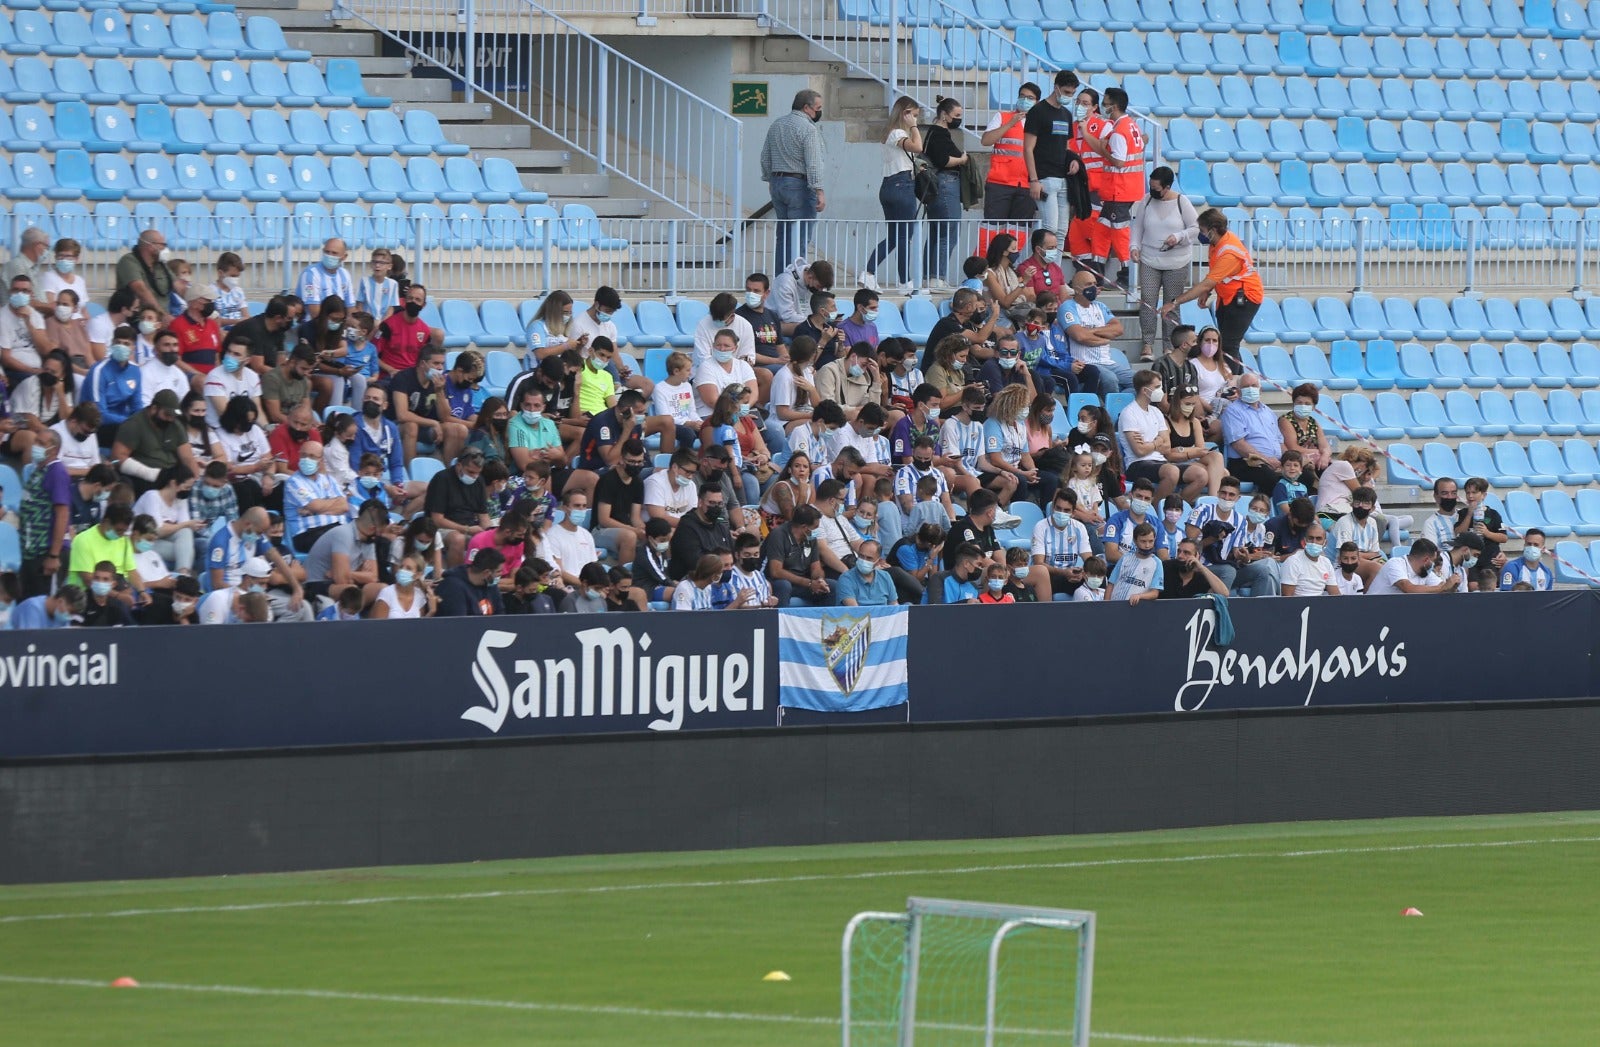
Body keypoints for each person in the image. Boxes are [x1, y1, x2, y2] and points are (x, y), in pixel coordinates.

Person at [1163, 208, 1265, 370]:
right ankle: (1235, 381)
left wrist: (1175, 302)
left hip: (1244, 298)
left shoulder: (1229, 252)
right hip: (1228, 296)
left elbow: (1206, 282)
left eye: (1202, 230)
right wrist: (1207, 292)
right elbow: (1214, 275)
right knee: (1227, 345)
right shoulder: (1217, 243)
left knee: (1228, 346)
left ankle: (1230, 385)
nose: (1200, 234)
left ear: (1213, 230)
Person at [1081, 87, 1145, 288]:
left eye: (1106, 103)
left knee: (1119, 232)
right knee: (1101, 228)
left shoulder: (1119, 131)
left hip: (1120, 189)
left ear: (1114, 106)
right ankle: (1097, 273)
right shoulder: (1131, 125)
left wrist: (1103, 150)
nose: (1103, 107)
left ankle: (1127, 275)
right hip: (1123, 189)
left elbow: (1118, 162)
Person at [862, 97, 924, 294]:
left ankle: (882, 276)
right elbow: (918, 147)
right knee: (904, 236)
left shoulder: (890, 134)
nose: (915, 119)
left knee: (896, 236)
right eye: (913, 115)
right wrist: (913, 127)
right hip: (901, 185)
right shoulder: (897, 132)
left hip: (890, 185)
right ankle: (897, 279)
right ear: (904, 113)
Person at [761, 89, 827, 270]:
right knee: (800, 237)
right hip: (800, 185)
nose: (819, 112)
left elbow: (765, 157)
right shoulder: (808, 129)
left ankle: (781, 279)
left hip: (777, 183)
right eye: (818, 108)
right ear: (807, 108)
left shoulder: (777, 125)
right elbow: (813, 163)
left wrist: (770, 180)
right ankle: (796, 283)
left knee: (783, 236)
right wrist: (819, 190)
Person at [1022, 71, 1082, 249]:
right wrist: (1034, 179)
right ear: (1056, 88)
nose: (1069, 96)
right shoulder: (1038, 111)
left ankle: (1054, 274)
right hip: (1044, 178)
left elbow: (1066, 146)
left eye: (1072, 93)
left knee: (1062, 231)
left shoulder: (1066, 114)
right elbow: (1028, 148)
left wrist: (1074, 160)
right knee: (1050, 229)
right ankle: (1040, 270)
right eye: (1066, 92)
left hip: (1062, 178)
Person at [980, 81, 1042, 233]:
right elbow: (986, 141)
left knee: (1019, 233)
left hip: (1027, 185)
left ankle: (1011, 258)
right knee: (991, 231)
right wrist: (1010, 123)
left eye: (1030, 97)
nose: (1025, 100)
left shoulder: (1041, 123)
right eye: (1022, 96)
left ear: (1037, 102)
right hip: (1000, 183)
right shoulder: (1002, 116)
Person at [920, 96, 968, 288]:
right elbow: (943, 160)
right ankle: (937, 276)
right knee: (948, 233)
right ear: (944, 114)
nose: (958, 119)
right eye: (956, 115)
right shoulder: (939, 133)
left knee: (936, 233)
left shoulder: (936, 133)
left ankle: (929, 276)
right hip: (946, 184)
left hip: (940, 185)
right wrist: (962, 160)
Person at [1056, 271, 1128, 394]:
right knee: (1110, 380)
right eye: (1088, 284)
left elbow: (1118, 329)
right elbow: (1080, 336)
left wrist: (1091, 331)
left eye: (1095, 283)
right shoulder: (1068, 307)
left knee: (1142, 380)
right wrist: (1104, 337)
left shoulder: (1100, 306)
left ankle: (1125, 408)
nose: (1093, 287)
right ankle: (1109, 411)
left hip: (1107, 361)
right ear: (1077, 290)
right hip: (1085, 363)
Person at [1118, 370, 1181, 500]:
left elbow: (1167, 447)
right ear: (1145, 391)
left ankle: (1175, 507)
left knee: (1200, 474)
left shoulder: (1156, 411)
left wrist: (1149, 445)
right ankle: (1155, 509)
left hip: (1160, 461)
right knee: (1172, 472)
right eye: (1157, 387)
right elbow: (1139, 451)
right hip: (1137, 464)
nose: (1161, 391)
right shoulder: (1129, 413)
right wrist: (1157, 442)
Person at [1218, 373, 1283, 493]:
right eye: (1246, 386)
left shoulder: (1268, 412)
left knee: (1303, 475)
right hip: (1246, 462)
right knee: (1272, 478)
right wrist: (1267, 460)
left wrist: (1287, 461)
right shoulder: (1232, 412)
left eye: (1254, 385)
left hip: (1273, 462)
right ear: (1238, 391)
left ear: (1260, 389)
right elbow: (1239, 445)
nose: (1250, 389)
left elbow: (1280, 441)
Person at [425, 448, 491, 563]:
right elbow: (437, 519)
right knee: (458, 539)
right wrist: (466, 529)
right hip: (441, 529)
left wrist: (489, 532)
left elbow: (483, 515)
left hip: (469, 528)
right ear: (459, 465)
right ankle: (455, 577)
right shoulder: (442, 479)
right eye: (471, 472)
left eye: (478, 473)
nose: (474, 476)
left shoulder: (479, 481)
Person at [979, 384, 1038, 507]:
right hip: (992, 471)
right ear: (1012, 405)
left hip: (1015, 469)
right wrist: (1021, 473)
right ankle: (1012, 512)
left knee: (1051, 479)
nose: (1027, 408)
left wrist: (1032, 471)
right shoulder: (993, 424)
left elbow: (1025, 455)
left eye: (1027, 405)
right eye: (1024, 406)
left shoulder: (1021, 424)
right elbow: (995, 460)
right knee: (1019, 480)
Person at [593, 438, 647, 566]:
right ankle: (624, 579)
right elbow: (604, 520)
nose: (635, 466)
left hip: (625, 528)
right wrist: (633, 530)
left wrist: (644, 530)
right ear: (622, 460)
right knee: (629, 537)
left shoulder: (638, 482)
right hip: (600, 530)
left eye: (639, 462)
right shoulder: (608, 480)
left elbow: (635, 517)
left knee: (657, 534)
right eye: (632, 462)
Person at [1032, 488, 1093, 598]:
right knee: (1044, 578)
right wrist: (1064, 572)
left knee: (1098, 578)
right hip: (1049, 577)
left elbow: (1089, 559)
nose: (1061, 513)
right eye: (1058, 508)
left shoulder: (1079, 527)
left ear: (1073, 513)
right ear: (1053, 508)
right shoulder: (1041, 527)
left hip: (1071, 576)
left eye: (1066, 510)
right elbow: (1039, 563)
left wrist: (1082, 573)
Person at [374, 282, 442, 377]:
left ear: (424, 305)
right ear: (404, 300)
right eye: (410, 298)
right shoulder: (387, 325)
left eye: (418, 300)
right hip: (390, 376)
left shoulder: (425, 330)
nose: (413, 302)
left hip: (413, 378)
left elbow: (424, 360)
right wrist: (390, 370)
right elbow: (372, 355)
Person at [1367, 538, 1460, 595]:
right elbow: (1408, 588)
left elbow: (1441, 587)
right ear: (1426, 560)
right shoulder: (1395, 564)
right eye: (1433, 561)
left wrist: (1452, 587)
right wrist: (1443, 588)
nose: (1434, 565)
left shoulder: (1425, 572)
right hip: (1375, 610)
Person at [168, 283, 223, 375]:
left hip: (211, 377)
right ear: (194, 303)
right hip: (190, 377)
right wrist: (199, 375)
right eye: (208, 300)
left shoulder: (212, 324)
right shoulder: (177, 325)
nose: (211, 304)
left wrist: (217, 376)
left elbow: (216, 356)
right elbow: (176, 359)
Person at [114, 231, 174, 315]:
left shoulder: (161, 264)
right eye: (162, 245)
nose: (165, 249)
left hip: (161, 317)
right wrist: (162, 315)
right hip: (139, 317)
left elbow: (178, 285)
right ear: (151, 246)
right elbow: (141, 291)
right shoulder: (128, 261)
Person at [434, 546, 506, 617]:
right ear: (486, 573)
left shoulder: (491, 583)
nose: (501, 574)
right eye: (498, 571)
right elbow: (458, 622)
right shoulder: (452, 587)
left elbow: (500, 615)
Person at [1279, 383, 1332, 476]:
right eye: (1299, 403)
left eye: (1307, 403)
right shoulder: (1286, 420)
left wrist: (1325, 456)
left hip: (1316, 460)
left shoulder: (1313, 422)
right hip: (1296, 463)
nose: (1303, 406)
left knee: (1336, 468)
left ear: (1313, 406)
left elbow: (1325, 446)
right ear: (1294, 403)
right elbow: (1293, 448)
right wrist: (1316, 453)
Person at [981, 234, 1034, 325]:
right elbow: (1005, 303)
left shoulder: (1013, 272)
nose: (1017, 252)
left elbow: (1030, 297)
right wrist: (1023, 282)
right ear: (1004, 252)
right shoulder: (990, 274)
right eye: (1013, 249)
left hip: (1013, 312)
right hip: (995, 312)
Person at [1279, 521, 1340, 597]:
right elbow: (1287, 598)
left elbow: (1335, 595)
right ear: (1305, 541)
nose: (1314, 542)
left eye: (1318, 539)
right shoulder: (1292, 562)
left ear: (1325, 543)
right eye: (1310, 538)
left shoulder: (1326, 563)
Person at [296, 238, 354, 318]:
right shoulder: (310, 274)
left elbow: (350, 306)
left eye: (334, 253)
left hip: (337, 325)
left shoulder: (345, 274)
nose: (330, 256)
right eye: (327, 252)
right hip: (312, 325)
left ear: (344, 256)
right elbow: (314, 312)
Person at [1108, 521, 1163, 603]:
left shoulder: (1157, 563)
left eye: (1151, 541)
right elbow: (1111, 585)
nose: (1147, 545)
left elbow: (1154, 593)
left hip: (1136, 609)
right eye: (1143, 541)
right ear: (1135, 540)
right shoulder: (1125, 558)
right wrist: (1105, 605)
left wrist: (1139, 596)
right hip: (1115, 606)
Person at [370, 551, 436, 619]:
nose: (402, 570)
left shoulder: (420, 596)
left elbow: (420, 627)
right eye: (401, 567)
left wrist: (431, 611)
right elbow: (378, 627)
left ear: (418, 575)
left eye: (408, 568)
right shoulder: (387, 593)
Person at [1160, 537, 1230, 599]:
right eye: (1179, 551)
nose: (1180, 556)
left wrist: (1202, 568)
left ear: (1197, 556)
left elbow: (1224, 594)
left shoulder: (1201, 577)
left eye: (1186, 552)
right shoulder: (1166, 567)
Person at [1014, 228, 1068, 304]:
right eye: (1050, 248)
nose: (1054, 251)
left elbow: (1064, 297)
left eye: (1056, 247)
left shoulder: (1056, 268)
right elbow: (1031, 298)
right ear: (1038, 250)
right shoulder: (1025, 269)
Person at [8, 583, 86, 630]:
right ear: (60, 601)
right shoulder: (32, 607)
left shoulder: (61, 618)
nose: (70, 617)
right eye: (71, 612)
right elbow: (30, 643)